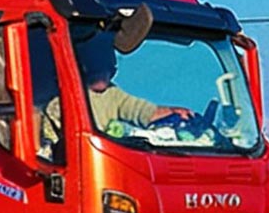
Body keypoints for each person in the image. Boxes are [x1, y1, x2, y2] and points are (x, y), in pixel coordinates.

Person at [43, 37, 192, 152]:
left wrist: (172, 111)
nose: (102, 75)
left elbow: (139, 110)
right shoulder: (62, 97)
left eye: (105, 69)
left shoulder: (112, 93)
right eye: (96, 68)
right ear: (82, 68)